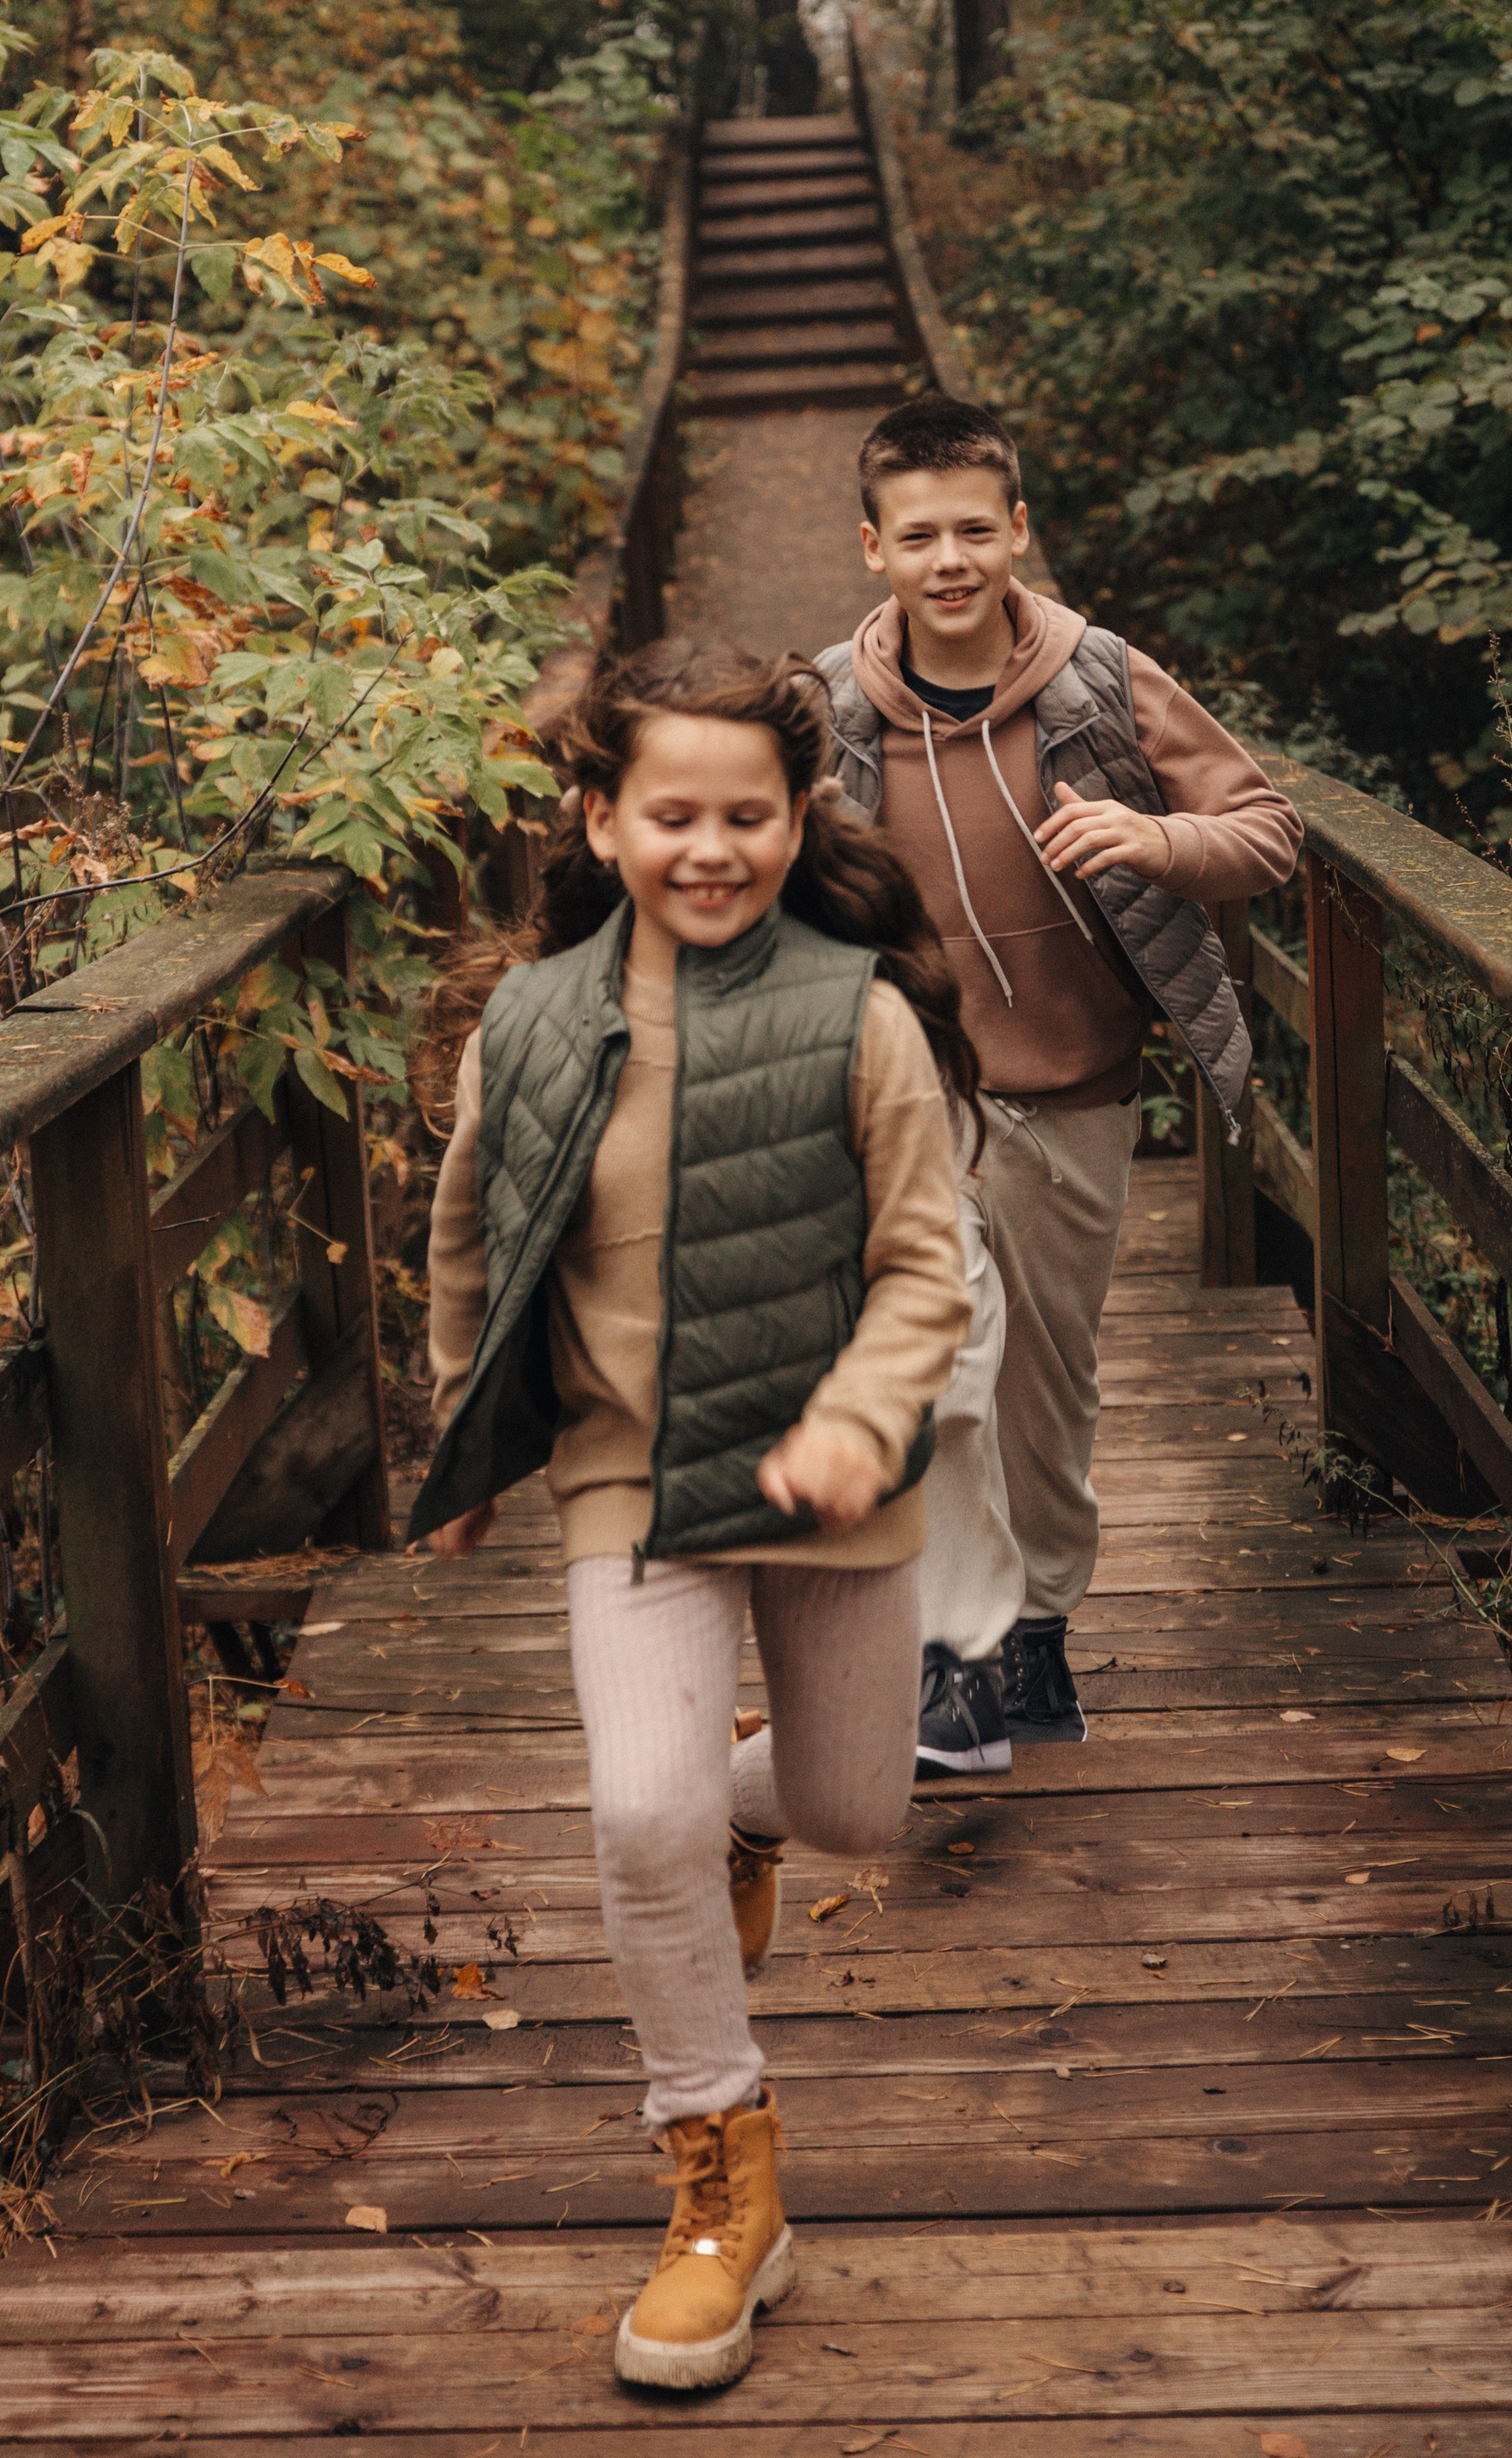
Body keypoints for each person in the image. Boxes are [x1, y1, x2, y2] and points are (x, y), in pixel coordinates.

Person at [408, 640, 998, 2395]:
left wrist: (856, 1418)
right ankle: (717, 2177)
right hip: (626, 1480)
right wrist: (464, 1437)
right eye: (669, 813)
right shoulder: (525, 1027)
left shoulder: (862, 1018)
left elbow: (923, 1269)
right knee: (636, 1811)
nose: (709, 846)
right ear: (598, 820)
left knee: (856, 1813)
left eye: (747, 813)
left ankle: (754, 1818)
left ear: (796, 813)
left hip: (828, 1473)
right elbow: (470, 1240)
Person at [815, 393, 1302, 1776]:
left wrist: (1154, 838)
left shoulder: (1102, 679)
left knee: (1046, 1386)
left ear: (1019, 530)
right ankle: (955, 1660)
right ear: (873, 549)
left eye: (977, 528)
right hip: (911, 1091)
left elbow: (1268, 829)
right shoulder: (830, 709)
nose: (951, 558)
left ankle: (1036, 1628)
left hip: (1082, 1091)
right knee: (941, 1358)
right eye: (920, 535)